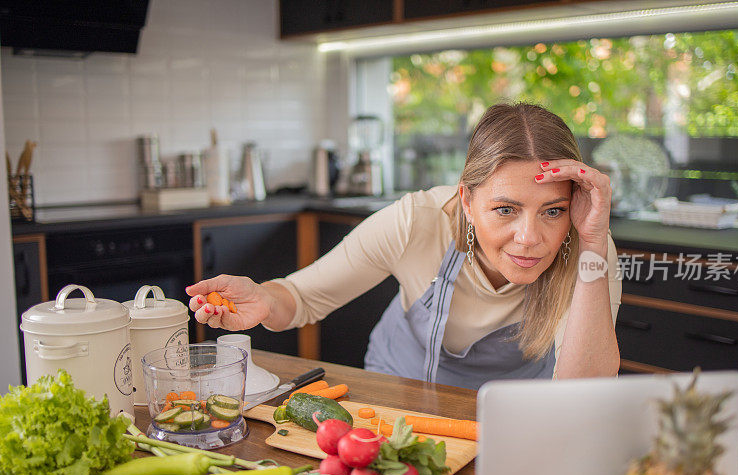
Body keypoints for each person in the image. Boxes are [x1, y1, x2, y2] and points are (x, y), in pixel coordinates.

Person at [187, 103, 622, 389]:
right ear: (467, 202)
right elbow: (300, 298)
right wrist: (263, 298)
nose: (529, 237)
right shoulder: (418, 221)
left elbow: (586, 390)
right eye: (506, 209)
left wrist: (592, 249)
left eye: (552, 211)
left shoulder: (591, 249)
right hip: (398, 400)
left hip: (511, 419)